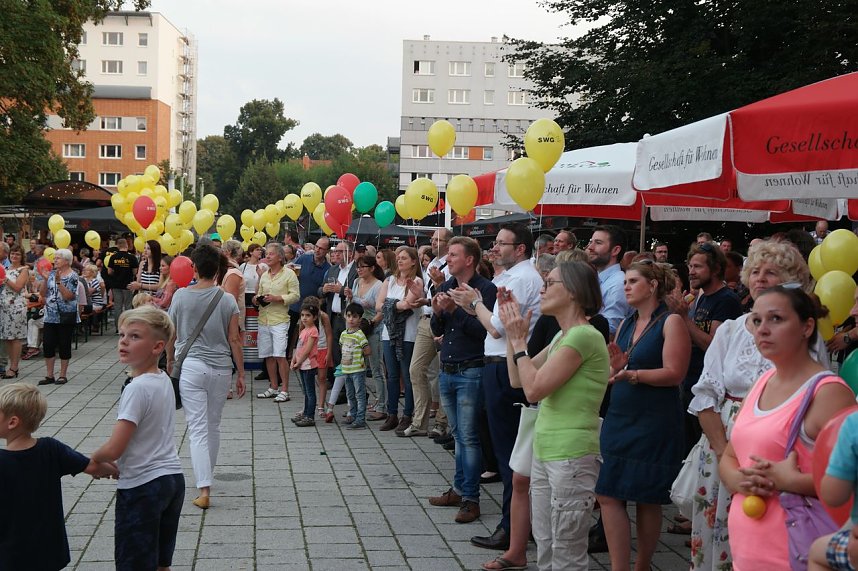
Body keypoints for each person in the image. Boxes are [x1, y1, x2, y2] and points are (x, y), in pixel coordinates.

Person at [687, 240, 826, 570]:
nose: (761, 278)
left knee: (766, 535)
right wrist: (724, 454)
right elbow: (705, 394)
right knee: (716, 534)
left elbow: (810, 395)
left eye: (772, 272)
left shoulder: (804, 334)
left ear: (790, 282)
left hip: (778, 449)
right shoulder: (731, 330)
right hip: (722, 443)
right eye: (756, 271)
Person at [720, 286, 856, 570]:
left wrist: (790, 481)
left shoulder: (827, 393)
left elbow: (850, 482)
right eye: (756, 320)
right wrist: (737, 480)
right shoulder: (761, 383)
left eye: (776, 319)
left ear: (807, 327)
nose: (762, 330)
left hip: (797, 553)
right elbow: (732, 455)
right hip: (746, 552)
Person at [498, 260, 609, 570]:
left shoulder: (583, 337)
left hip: (570, 455)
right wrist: (511, 335)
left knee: (567, 551)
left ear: (573, 292)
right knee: (546, 544)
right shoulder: (562, 337)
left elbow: (533, 391)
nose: (543, 289)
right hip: (548, 451)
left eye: (550, 283)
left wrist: (520, 341)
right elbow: (518, 379)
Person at [450, 223, 544, 551]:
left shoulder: (520, 278)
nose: (494, 247)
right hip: (500, 365)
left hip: (506, 366)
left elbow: (495, 329)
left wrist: (474, 303)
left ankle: (512, 526)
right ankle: (517, 523)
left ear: (520, 248)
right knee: (507, 450)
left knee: (509, 454)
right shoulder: (510, 277)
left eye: (502, 243)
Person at [597, 260, 692, 571]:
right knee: (607, 492)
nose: (626, 286)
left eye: (633, 281)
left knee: (647, 497)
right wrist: (616, 369)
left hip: (654, 419)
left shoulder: (671, 322)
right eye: (625, 281)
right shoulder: (625, 324)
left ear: (652, 286)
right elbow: (619, 369)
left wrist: (632, 374)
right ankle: (619, 566)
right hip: (621, 414)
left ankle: (643, 564)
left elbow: (675, 373)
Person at [90, 306, 185, 570]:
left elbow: (115, 448)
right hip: (172, 480)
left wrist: (94, 460)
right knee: (160, 562)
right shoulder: (162, 378)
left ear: (157, 347)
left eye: (134, 336)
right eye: (122, 335)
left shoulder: (136, 388)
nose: (124, 341)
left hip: (142, 486)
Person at [0, 383, 118, 570]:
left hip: (10, 553)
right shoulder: (51, 449)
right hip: (48, 550)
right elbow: (92, 467)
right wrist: (114, 470)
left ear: (12, 422)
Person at [167, 245, 245, 509]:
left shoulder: (180, 297)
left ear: (195, 269)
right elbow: (235, 339)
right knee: (213, 426)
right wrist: (241, 373)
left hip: (190, 367)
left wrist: (169, 361)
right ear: (218, 270)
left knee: (198, 429)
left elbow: (171, 334)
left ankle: (204, 488)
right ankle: (205, 477)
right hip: (221, 368)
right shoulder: (227, 300)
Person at [427, 236, 497, 525]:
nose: (448, 259)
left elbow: (485, 332)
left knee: (468, 437)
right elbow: (436, 327)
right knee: (457, 436)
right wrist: (440, 312)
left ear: (470, 259)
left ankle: (471, 498)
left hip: (471, 368)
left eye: (454, 254)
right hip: (449, 367)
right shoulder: (445, 287)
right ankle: (458, 489)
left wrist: (456, 310)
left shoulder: (485, 289)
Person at [680, 243, 742, 456]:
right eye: (690, 266)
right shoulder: (701, 297)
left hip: (709, 390)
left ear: (715, 269)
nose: (691, 271)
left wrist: (683, 318)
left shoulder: (726, 300)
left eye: (697, 267)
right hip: (691, 383)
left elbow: (712, 345)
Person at [403, 228, 452, 438]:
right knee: (416, 369)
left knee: (444, 372)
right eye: (432, 239)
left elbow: (449, 295)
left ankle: (441, 422)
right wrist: (419, 294)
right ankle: (419, 421)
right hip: (427, 319)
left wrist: (434, 292)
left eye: (438, 239)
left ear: (448, 242)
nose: (433, 242)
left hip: (445, 321)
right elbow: (430, 294)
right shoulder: (431, 264)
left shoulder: (451, 265)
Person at [377, 246, 424, 432]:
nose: (400, 260)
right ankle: (392, 413)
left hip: (408, 334)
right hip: (389, 333)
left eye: (404, 257)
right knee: (392, 375)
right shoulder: (389, 280)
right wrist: (396, 305)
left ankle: (408, 414)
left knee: (407, 374)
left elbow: (408, 305)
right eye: (398, 257)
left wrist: (392, 305)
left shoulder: (417, 281)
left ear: (413, 261)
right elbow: (379, 305)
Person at [254, 243, 300, 403]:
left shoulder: (289, 274)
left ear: (280, 257)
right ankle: (273, 387)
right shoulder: (265, 275)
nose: (267, 256)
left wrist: (277, 298)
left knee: (280, 354)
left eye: (271, 254)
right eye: (266, 253)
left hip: (280, 319)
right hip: (264, 318)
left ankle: (285, 389)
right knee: (268, 355)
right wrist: (257, 299)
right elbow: (259, 293)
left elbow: (295, 296)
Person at [345, 254, 387, 421]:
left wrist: (371, 323)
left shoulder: (379, 285)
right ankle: (355, 406)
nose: (359, 270)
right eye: (357, 267)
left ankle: (382, 405)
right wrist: (349, 297)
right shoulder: (356, 282)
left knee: (376, 368)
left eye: (363, 266)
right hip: (355, 331)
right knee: (354, 368)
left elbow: (381, 311)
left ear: (372, 268)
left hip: (372, 330)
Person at [37, 248, 79, 386]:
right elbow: (43, 294)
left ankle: (62, 375)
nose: (54, 260)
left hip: (65, 315)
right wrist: (45, 279)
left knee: (64, 344)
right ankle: (49, 375)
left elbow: (68, 296)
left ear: (67, 261)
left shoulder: (73, 276)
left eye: (58, 258)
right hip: (50, 315)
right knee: (48, 344)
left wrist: (59, 282)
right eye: (54, 258)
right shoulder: (52, 274)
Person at [321, 241, 358, 395]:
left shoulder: (356, 270)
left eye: (340, 251)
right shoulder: (333, 269)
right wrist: (324, 289)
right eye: (335, 251)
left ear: (350, 253)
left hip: (348, 318)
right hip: (333, 317)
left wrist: (341, 290)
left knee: (348, 353)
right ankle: (340, 387)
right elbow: (320, 289)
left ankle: (350, 388)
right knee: (336, 352)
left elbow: (357, 293)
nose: (336, 254)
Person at [288, 237, 331, 363]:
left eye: (321, 248)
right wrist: (290, 271)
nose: (317, 250)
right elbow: (292, 272)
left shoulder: (327, 269)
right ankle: (287, 360)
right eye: (317, 247)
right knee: (289, 334)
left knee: (311, 336)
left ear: (327, 251)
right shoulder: (304, 258)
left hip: (312, 310)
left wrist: (318, 304)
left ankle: (309, 361)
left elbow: (323, 293)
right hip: (295, 304)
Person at [330, 302, 371, 429]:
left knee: (359, 394)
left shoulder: (360, 334)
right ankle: (352, 415)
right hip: (346, 369)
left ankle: (360, 419)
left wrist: (359, 358)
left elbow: (367, 350)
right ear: (345, 317)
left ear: (360, 319)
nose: (351, 319)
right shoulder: (343, 334)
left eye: (354, 317)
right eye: (348, 316)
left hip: (357, 369)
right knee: (350, 394)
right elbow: (342, 348)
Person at [586, 225, 631, 338]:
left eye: (598, 242)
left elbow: (609, 331)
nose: (590, 247)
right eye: (591, 242)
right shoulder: (599, 280)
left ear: (615, 250)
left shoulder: (618, 284)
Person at [1, 245, 30, 379]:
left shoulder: (23, 270)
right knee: (7, 337)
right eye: (12, 254)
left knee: (16, 337)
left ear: (22, 256)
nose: (14, 256)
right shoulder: (6, 268)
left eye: (17, 254)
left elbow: (18, 287)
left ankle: (14, 367)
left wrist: (5, 280)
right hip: (4, 306)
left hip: (16, 306)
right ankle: (9, 366)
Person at [290, 301, 320, 427]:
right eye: (302, 315)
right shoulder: (303, 330)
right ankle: (306, 413)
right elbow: (298, 346)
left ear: (315, 317)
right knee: (306, 392)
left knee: (310, 392)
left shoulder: (313, 331)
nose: (304, 318)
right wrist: (293, 360)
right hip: (302, 364)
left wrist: (299, 362)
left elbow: (307, 350)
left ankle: (310, 416)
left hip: (308, 364)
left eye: (308, 315)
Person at [107, 238, 139, 327]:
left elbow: (109, 272)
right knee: (128, 306)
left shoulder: (113, 257)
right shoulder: (132, 257)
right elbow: (135, 272)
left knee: (118, 306)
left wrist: (116, 273)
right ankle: (128, 326)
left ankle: (118, 328)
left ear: (118, 246)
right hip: (128, 284)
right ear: (127, 246)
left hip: (116, 284)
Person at [240, 243, 267, 308]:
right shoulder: (243, 266)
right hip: (245, 296)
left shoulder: (264, 266)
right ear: (251, 252)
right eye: (257, 250)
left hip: (258, 296)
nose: (260, 251)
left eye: (261, 250)